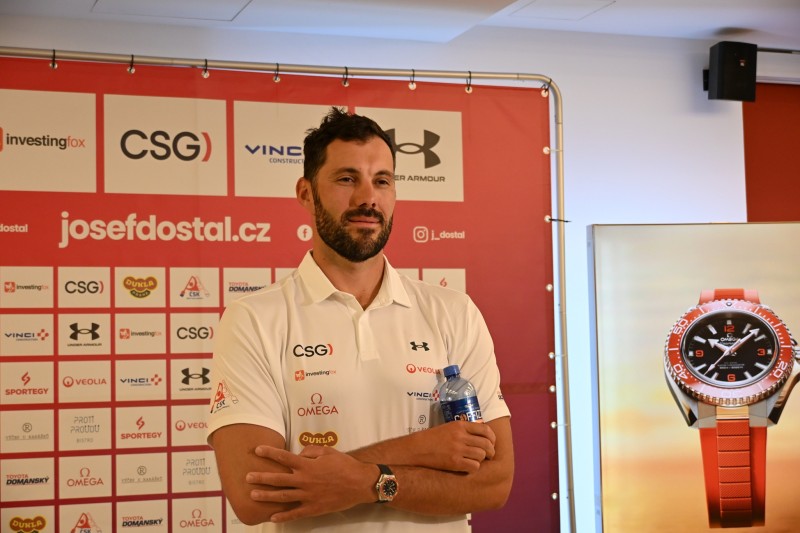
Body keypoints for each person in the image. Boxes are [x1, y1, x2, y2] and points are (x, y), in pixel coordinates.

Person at [207, 106, 513, 532]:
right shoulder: (254, 319)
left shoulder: (453, 311)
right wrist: (419, 449)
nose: (367, 198)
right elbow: (254, 494)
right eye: (347, 179)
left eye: (382, 181)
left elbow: (495, 483)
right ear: (306, 193)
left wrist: (368, 480)